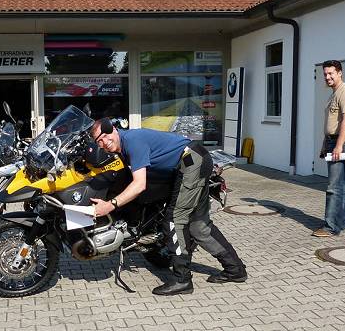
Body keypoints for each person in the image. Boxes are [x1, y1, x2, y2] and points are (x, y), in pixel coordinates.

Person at [90, 121, 247, 296]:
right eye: (99, 141)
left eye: (105, 136)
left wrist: (110, 205)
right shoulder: (123, 147)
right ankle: (235, 269)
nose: (104, 142)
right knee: (199, 226)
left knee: (175, 220)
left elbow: (139, 184)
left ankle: (182, 280)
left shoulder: (132, 140)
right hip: (194, 159)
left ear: (114, 129)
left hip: (191, 161)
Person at [313, 60, 345, 238]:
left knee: (334, 186)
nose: (327, 77)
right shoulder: (334, 93)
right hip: (335, 141)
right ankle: (342, 222)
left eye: (331, 73)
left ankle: (331, 227)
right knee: (342, 185)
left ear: (340, 73)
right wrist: (327, 145)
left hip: (344, 141)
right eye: (325, 74)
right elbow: (332, 123)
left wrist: (339, 145)